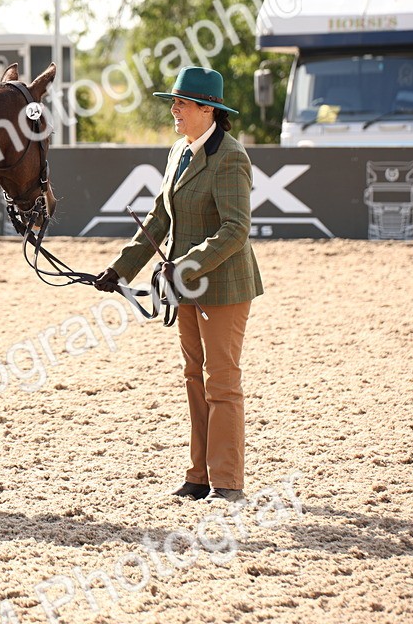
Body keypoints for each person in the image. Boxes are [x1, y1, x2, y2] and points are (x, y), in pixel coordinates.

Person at [95, 66, 263, 503]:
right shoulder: (178, 152)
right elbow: (158, 218)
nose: (174, 109)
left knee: (221, 381)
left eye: (181, 103)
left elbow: (235, 229)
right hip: (184, 284)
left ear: (208, 109)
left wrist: (184, 266)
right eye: (173, 102)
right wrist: (120, 269)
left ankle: (227, 481)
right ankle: (199, 475)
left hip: (223, 284)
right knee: (194, 377)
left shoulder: (231, 157)